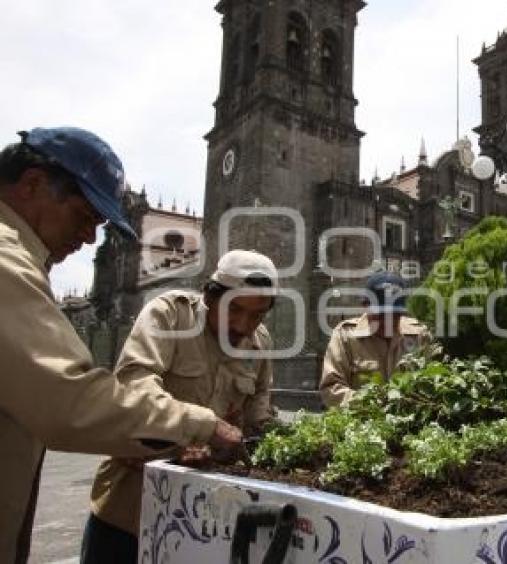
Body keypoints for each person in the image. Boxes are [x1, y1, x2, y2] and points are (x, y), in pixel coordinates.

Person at [0, 127, 242, 563]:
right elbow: (69, 401)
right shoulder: (6, 263)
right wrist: (199, 424)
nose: (91, 239)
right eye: (84, 216)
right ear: (33, 184)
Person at [81, 249, 279, 563]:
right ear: (211, 296)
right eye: (234, 309)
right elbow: (136, 387)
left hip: (202, 518)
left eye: (256, 315)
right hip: (132, 506)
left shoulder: (260, 344)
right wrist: (197, 432)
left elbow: (259, 412)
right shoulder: (169, 315)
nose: (243, 324)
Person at [319, 272, 431, 407]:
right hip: (362, 423)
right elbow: (331, 388)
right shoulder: (345, 337)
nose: (387, 322)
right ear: (366, 308)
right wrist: (374, 404)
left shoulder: (420, 335)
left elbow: (432, 384)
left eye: (394, 315)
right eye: (380, 314)